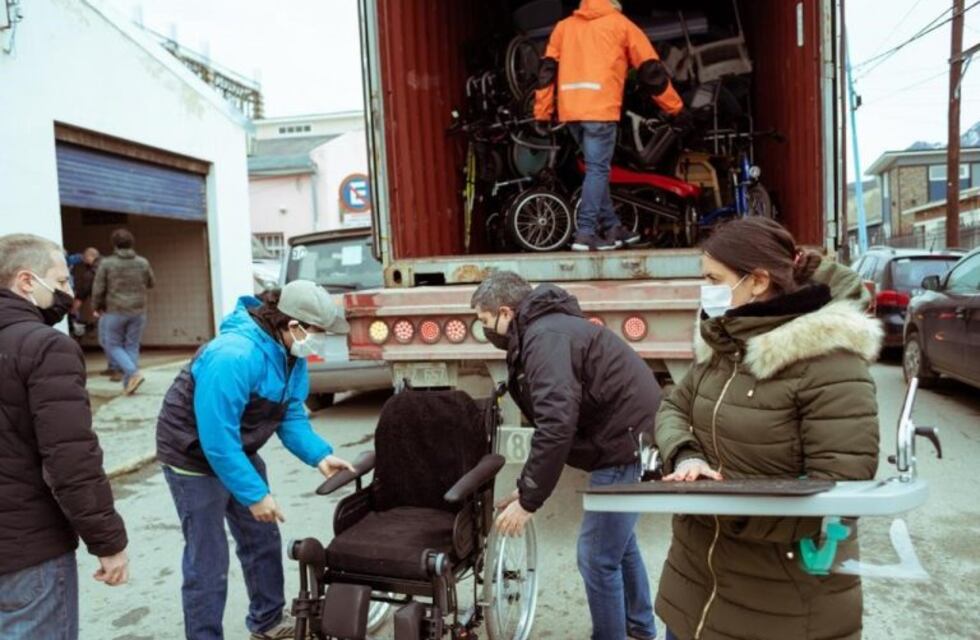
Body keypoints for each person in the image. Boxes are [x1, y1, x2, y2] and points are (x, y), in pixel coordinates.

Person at [653, 217, 881, 640]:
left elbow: (839, 491)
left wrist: (725, 504)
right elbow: (672, 407)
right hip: (692, 597)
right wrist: (687, 455)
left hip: (779, 609)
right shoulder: (724, 345)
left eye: (713, 279)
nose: (706, 290)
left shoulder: (829, 363)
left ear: (757, 281)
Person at [156, 280, 356, 640]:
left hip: (237, 448)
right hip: (192, 454)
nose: (322, 341)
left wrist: (319, 455)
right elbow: (216, 440)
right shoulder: (233, 355)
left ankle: (266, 623)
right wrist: (253, 494)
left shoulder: (291, 354)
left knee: (262, 539)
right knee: (208, 558)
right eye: (320, 332)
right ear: (293, 324)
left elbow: (290, 414)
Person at [471, 271, 663, 640]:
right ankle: (640, 629)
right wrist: (525, 486)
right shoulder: (544, 329)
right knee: (618, 546)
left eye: (485, 321)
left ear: (506, 312)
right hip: (625, 434)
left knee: (595, 555)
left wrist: (529, 501)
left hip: (624, 442)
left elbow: (555, 425)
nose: (485, 330)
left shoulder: (545, 338)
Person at [0, 233, 129, 640]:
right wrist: (107, 543)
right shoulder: (45, 347)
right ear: (25, 281)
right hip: (28, 550)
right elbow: (71, 459)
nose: (69, 294)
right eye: (60, 282)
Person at [533, 0, 685, 251]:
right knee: (597, 170)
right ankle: (586, 231)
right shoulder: (621, 25)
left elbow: (546, 72)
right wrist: (675, 108)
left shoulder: (564, 27)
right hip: (600, 109)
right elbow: (651, 72)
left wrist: (542, 113)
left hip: (571, 112)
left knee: (597, 169)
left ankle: (612, 226)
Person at [92, 228, 155, 395]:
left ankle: (133, 373)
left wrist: (96, 306)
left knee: (111, 344)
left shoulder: (107, 263)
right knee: (131, 345)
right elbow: (151, 282)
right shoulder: (142, 262)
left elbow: (99, 288)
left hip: (115, 310)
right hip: (138, 310)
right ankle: (129, 384)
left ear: (114, 244)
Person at [68, 247, 100, 338]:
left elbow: (82, 294)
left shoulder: (90, 273)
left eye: (85, 258)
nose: (84, 261)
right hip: (127, 308)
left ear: (90, 257)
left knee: (111, 341)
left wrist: (73, 311)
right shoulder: (109, 265)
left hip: (105, 309)